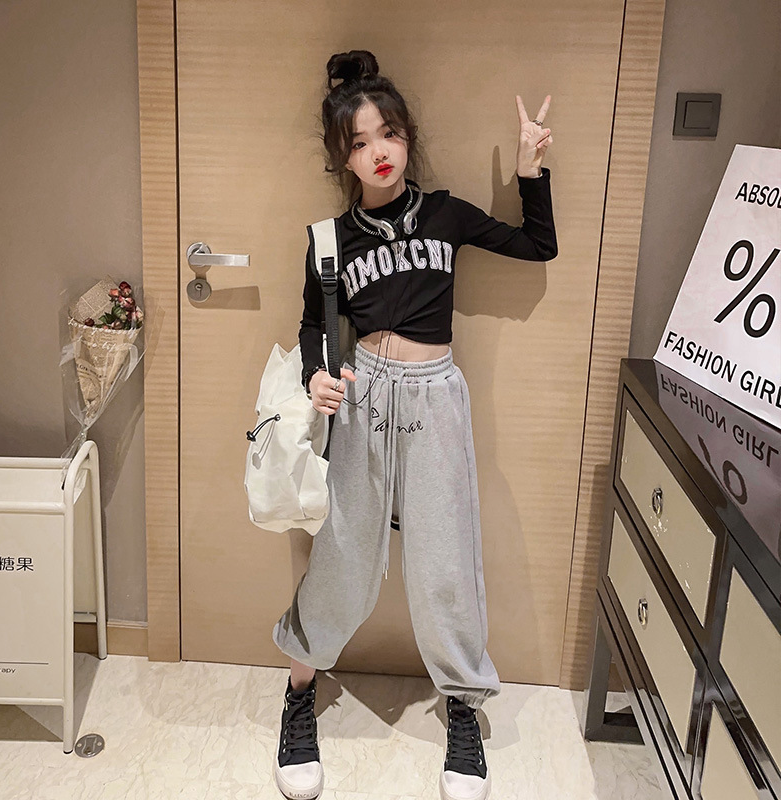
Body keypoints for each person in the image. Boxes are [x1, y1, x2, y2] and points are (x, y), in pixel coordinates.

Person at [271, 49, 557, 800]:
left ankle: (461, 709)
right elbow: (313, 324)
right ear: (343, 158)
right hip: (363, 398)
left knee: (444, 559)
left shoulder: (445, 215)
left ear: (407, 137)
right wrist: (316, 374)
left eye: (389, 133)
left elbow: (537, 246)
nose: (379, 151)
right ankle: (299, 692)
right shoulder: (329, 240)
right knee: (342, 555)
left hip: (435, 399)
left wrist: (530, 170)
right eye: (360, 142)